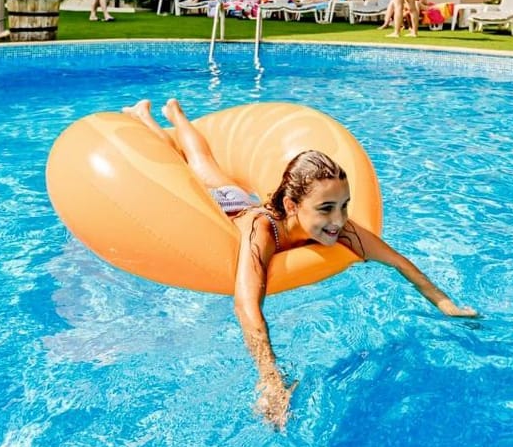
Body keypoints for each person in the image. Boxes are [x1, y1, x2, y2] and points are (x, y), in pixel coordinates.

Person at [122, 97, 477, 428]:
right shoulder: (261, 231)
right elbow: (247, 307)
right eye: (326, 208)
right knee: (196, 167)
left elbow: (399, 262)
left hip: (245, 200)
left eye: (344, 205)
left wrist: (446, 305)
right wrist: (270, 378)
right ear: (293, 206)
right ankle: (156, 119)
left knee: (205, 163)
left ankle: (170, 114)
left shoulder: (342, 228)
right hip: (226, 207)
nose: (338, 220)